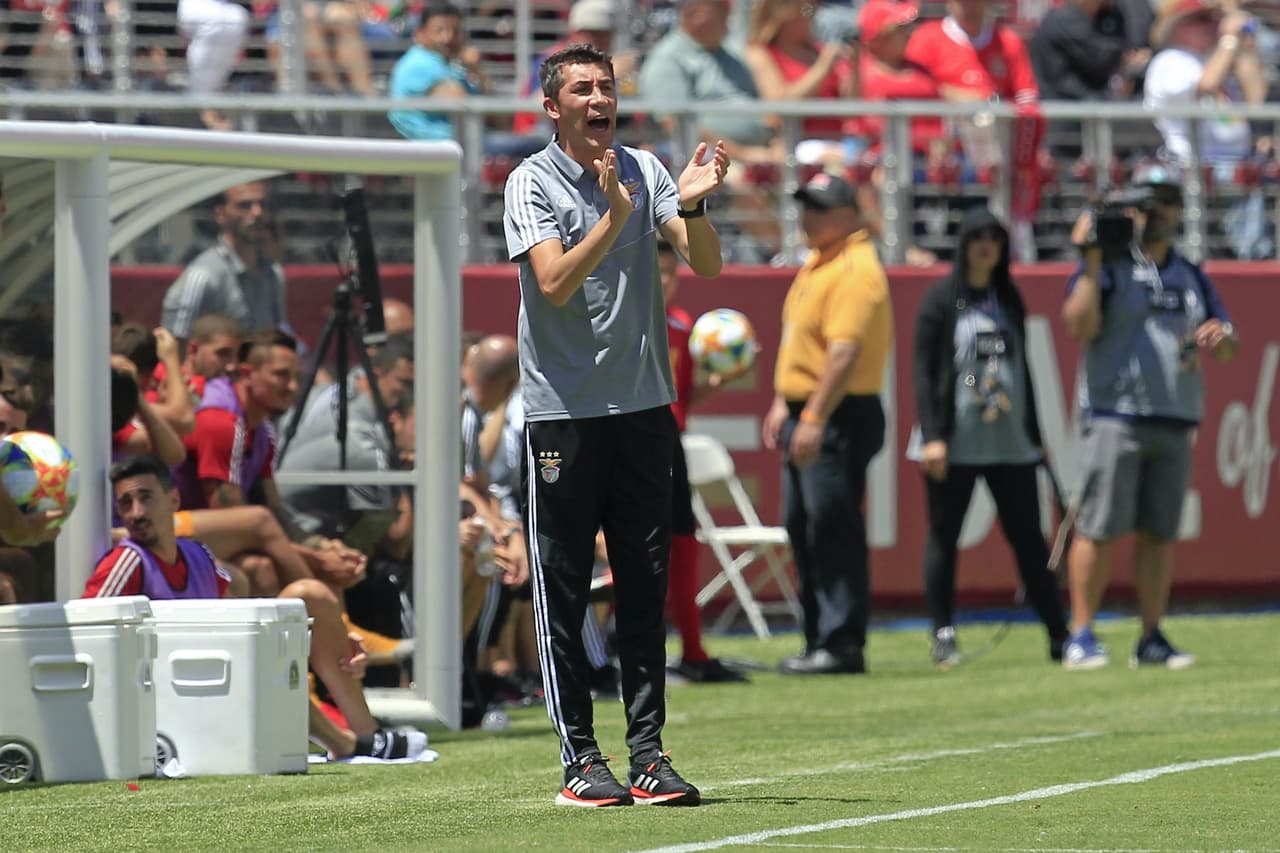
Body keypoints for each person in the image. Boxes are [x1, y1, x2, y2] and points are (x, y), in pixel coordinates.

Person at [502, 43, 729, 807]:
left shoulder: (645, 167)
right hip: (562, 415)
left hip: (642, 411)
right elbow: (556, 282)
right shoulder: (529, 180)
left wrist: (691, 206)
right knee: (564, 588)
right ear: (552, 106)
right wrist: (614, 217)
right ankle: (578, 759)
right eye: (583, 88)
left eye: (606, 86)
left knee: (643, 588)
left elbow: (705, 266)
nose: (600, 98)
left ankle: (647, 754)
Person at [85, 454, 431, 762]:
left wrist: (334, 636)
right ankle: (347, 743)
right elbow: (85, 633)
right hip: (166, 697)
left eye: (145, 498)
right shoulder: (127, 561)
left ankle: (365, 730)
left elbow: (238, 620)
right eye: (125, 504)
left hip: (208, 679)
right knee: (263, 660)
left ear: (174, 499)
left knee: (308, 596)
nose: (136, 513)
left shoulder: (198, 555)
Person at [1060, 161, 1238, 670]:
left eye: (1163, 203)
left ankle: (1152, 635)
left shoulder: (1190, 274)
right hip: (1116, 413)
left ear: (1178, 211)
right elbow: (1078, 324)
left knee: (1160, 534)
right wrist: (1090, 257)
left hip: (1175, 415)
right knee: (1098, 526)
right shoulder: (1110, 267)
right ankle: (1082, 633)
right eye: (1143, 205)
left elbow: (1228, 343)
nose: (1154, 213)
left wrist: (1223, 339)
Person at [909, 207, 1070, 667]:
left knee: (1029, 540)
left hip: (1008, 441)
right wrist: (934, 435)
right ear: (963, 245)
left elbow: (1024, 372)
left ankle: (1059, 635)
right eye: (976, 237)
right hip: (953, 441)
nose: (985, 245)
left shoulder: (1008, 298)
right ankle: (943, 634)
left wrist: (1036, 435)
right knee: (944, 535)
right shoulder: (940, 299)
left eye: (994, 238)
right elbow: (925, 373)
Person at [762, 172, 892, 676]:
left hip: (835, 412)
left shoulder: (856, 268)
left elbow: (843, 353)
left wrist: (812, 416)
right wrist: (783, 402)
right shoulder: (824, 262)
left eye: (817, 208)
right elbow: (807, 346)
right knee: (805, 526)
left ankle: (841, 643)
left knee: (832, 526)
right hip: (811, 408)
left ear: (847, 214)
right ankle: (820, 636)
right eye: (805, 206)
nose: (806, 216)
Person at [658, 240, 749, 684]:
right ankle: (615, 651)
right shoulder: (628, 324)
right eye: (654, 272)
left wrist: (720, 380)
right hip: (636, 441)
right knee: (638, 546)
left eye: (669, 272)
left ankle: (693, 650)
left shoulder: (683, 327)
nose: (662, 281)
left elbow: (684, 395)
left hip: (670, 443)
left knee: (681, 539)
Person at [161, 182, 288, 347]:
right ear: (220, 214)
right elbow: (171, 346)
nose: (258, 213)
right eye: (244, 205)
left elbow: (278, 337)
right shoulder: (202, 276)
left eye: (263, 204)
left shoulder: (273, 273)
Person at [743, 0, 856, 168]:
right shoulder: (760, 52)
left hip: (839, 140)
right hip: (796, 143)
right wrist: (823, 66)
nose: (814, 17)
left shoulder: (819, 50)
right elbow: (780, 107)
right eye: (807, 10)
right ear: (784, 14)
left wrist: (856, 65)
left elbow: (852, 106)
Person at [388, 2, 490, 142]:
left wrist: (477, 70)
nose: (447, 38)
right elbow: (463, 104)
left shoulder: (451, 66)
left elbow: (497, 117)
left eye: (455, 31)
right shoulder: (419, 61)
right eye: (439, 30)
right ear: (420, 33)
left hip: (462, 145)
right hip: (435, 149)